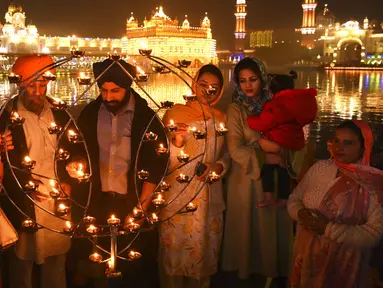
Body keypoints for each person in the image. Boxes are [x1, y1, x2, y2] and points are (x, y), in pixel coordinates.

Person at [67, 58, 167, 288]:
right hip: (97, 202)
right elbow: (79, 150)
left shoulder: (146, 118)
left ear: (128, 87)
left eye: (115, 91)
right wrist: (76, 163)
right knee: (95, 264)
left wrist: (142, 206)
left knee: (135, 267)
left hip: (133, 201)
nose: (109, 97)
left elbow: (156, 163)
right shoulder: (90, 114)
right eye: (104, 90)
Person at [0, 55, 71, 288]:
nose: (38, 92)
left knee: (56, 264)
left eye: (43, 85)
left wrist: (70, 178)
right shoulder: (7, 117)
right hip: (25, 202)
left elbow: (75, 150)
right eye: (32, 85)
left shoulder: (60, 114)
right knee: (22, 266)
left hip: (57, 201)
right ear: (21, 85)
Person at [221, 57, 293, 287]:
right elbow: (234, 148)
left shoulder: (277, 105)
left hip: (276, 173)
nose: (248, 85)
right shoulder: (236, 109)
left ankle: (274, 270)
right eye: (242, 81)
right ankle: (246, 272)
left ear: (263, 79)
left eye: (253, 79)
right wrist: (264, 149)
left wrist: (280, 152)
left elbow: (292, 138)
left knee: (272, 223)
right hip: (247, 178)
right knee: (248, 227)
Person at [287, 120, 383, 287]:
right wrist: (299, 213)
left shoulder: (373, 184)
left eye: (348, 143)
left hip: (346, 267)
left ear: (364, 147)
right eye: (336, 140)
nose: (339, 147)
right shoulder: (320, 168)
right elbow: (294, 199)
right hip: (307, 258)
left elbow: (374, 233)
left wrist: (327, 228)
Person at [159, 64, 230, 288]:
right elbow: (160, 159)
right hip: (178, 193)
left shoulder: (222, 118)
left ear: (220, 91)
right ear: (193, 84)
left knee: (203, 255)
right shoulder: (175, 113)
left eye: (214, 88)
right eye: (203, 85)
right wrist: (177, 144)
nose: (208, 91)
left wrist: (219, 167)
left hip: (208, 194)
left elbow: (226, 154)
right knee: (175, 255)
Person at [246, 72, 318, 208]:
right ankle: (283, 199)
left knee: (267, 167)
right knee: (283, 172)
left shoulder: (278, 105)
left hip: (279, 141)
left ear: (272, 92)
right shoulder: (297, 102)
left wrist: (250, 119)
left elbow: (264, 122)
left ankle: (268, 197)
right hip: (294, 140)